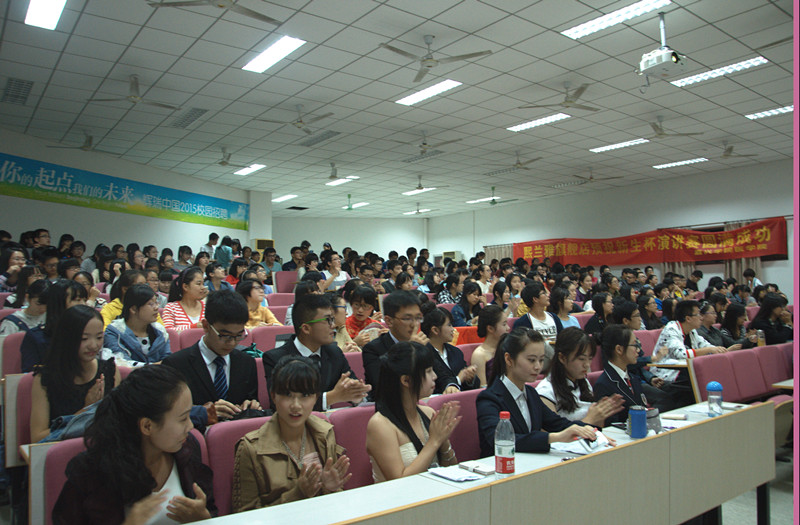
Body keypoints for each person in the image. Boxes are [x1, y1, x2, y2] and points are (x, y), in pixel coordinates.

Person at [53, 365, 215, 524]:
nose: (190, 426)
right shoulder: (91, 471)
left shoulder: (187, 451)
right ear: (147, 426)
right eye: (183, 418)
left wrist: (203, 519)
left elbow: (212, 512)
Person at [232, 355, 350, 510]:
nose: (296, 406)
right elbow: (244, 515)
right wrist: (298, 493)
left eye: (305, 396)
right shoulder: (250, 448)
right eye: (288, 395)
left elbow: (336, 501)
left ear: (316, 398)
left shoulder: (324, 432)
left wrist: (330, 488)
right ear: (273, 396)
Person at [476, 329, 596, 458]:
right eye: (532, 360)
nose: (538, 366)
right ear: (509, 359)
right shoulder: (489, 398)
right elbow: (499, 440)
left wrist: (590, 430)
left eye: (541, 360)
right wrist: (554, 437)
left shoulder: (531, 393)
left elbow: (557, 423)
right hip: (499, 465)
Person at [366, 342, 460, 482]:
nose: (435, 376)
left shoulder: (428, 413)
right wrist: (434, 441)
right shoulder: (380, 424)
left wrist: (444, 442)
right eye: (428, 371)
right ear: (406, 380)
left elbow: (451, 471)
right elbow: (400, 481)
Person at [162, 290, 261, 421]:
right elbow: (167, 415)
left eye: (238, 336)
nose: (232, 343)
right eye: (225, 336)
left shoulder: (246, 362)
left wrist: (251, 406)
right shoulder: (176, 365)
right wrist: (202, 413)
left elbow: (250, 399)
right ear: (206, 326)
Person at [264, 294, 370, 412]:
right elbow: (281, 405)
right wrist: (331, 397)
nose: (333, 325)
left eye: (332, 319)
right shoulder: (275, 359)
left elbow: (351, 386)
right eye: (327, 320)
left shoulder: (334, 352)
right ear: (306, 328)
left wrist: (357, 394)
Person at [31, 305, 121, 442]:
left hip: (102, 449)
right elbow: (37, 438)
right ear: (66, 338)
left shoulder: (109, 371)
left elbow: (118, 424)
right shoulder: (46, 379)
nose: (93, 345)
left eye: (99, 337)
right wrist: (85, 411)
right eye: (84, 339)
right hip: (59, 451)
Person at [535, 327, 624, 426]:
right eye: (581, 359)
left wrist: (601, 414)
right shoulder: (546, 392)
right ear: (562, 358)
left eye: (590, 358)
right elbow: (553, 432)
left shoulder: (583, 382)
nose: (587, 365)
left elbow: (597, 427)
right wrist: (590, 419)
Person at [650, 300, 726, 388]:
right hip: (666, 375)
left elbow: (705, 345)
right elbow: (682, 354)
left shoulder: (692, 331)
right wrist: (709, 350)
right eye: (698, 314)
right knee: (701, 381)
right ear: (688, 319)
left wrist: (720, 350)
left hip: (686, 372)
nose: (701, 318)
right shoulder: (671, 329)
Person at [362, 291, 428, 392]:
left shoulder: (423, 343)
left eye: (418, 318)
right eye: (407, 318)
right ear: (389, 321)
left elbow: (439, 376)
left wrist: (449, 385)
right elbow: (383, 385)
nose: (414, 324)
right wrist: (409, 350)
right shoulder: (373, 349)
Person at [21, 279, 88, 373]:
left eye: (85, 300)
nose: (84, 305)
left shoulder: (88, 332)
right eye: (77, 300)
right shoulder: (36, 337)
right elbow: (30, 374)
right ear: (59, 303)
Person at [592, 324, 648, 426]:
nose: (638, 350)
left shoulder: (633, 378)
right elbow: (610, 425)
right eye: (634, 345)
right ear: (619, 349)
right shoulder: (603, 385)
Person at [104, 284, 171, 366]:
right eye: (151, 304)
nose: (156, 307)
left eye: (156, 302)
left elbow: (167, 359)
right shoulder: (114, 332)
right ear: (133, 309)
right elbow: (121, 363)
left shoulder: (159, 330)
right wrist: (156, 366)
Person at [421, 305, 478, 394]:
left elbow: (470, 385)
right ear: (435, 330)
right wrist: (458, 379)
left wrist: (469, 378)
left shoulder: (456, 352)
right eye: (449, 325)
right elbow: (435, 386)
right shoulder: (423, 354)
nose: (453, 329)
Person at [0, 278, 47, 349]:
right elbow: (4, 350)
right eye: (38, 304)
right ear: (27, 298)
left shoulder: (51, 317)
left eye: (47, 305)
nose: (43, 309)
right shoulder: (11, 323)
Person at [471, 305, 508, 387]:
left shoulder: (508, 347)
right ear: (490, 328)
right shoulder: (479, 355)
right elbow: (482, 387)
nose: (508, 328)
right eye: (504, 324)